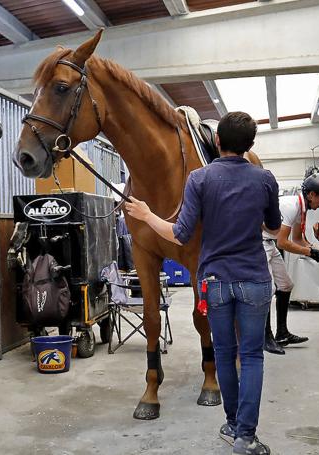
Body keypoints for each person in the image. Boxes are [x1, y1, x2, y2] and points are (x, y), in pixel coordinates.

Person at [125, 112, 280, 455]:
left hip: (216, 282)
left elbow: (179, 235)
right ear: (251, 145)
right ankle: (246, 436)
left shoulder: (198, 178)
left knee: (224, 355)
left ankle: (231, 424)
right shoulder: (265, 178)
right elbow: (273, 226)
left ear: (217, 142)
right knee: (251, 357)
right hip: (254, 279)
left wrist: (148, 216)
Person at [262, 173, 319, 355]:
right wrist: (311, 253)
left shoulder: (300, 208)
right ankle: (266, 338)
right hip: (260, 244)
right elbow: (283, 243)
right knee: (267, 289)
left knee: (286, 285)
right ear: (311, 194)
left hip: (270, 243)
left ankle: (282, 333)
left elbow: (297, 239)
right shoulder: (290, 206)